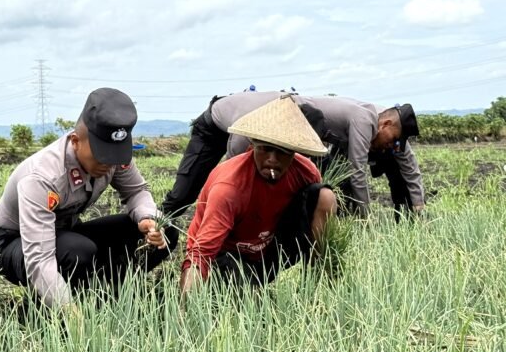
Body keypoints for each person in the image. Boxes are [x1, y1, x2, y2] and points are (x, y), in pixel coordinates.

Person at [0, 87, 167, 309]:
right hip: (17, 244)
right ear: (75, 141)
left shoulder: (114, 159)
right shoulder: (43, 176)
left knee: (163, 233)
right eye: (101, 156)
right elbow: (39, 259)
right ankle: (40, 311)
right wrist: (71, 313)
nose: (109, 164)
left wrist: (148, 219)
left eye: (115, 156)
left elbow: (136, 192)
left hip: (65, 232)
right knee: (77, 251)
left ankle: (109, 297)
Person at [180, 95, 337, 295]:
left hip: (267, 251)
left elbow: (310, 214)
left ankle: (316, 285)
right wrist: (184, 311)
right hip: (228, 255)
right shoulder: (229, 186)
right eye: (265, 149)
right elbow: (201, 253)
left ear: (294, 153)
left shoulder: (305, 171)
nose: (272, 160)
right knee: (248, 303)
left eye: (282, 152)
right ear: (253, 146)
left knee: (324, 196)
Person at [227, 95, 424, 219]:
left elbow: (411, 170)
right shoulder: (365, 120)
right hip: (306, 124)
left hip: (330, 141)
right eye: (394, 139)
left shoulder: (395, 136)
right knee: (312, 178)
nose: (394, 145)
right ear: (386, 124)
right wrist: (366, 217)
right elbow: (357, 170)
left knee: (339, 183)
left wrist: (418, 205)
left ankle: (342, 217)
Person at [162, 90, 323, 218]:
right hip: (211, 130)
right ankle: (157, 229)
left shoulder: (295, 115)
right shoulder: (252, 132)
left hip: (239, 119)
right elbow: (231, 176)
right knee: (183, 194)